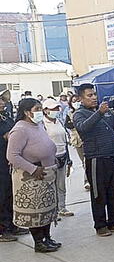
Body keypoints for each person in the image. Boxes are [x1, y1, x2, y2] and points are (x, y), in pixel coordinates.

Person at [73, 84, 114, 237]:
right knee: (99, 193)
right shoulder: (80, 114)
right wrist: (99, 113)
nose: (93, 98)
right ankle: (100, 225)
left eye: (94, 95)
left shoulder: (105, 112)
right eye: (89, 95)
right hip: (96, 159)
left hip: (111, 156)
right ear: (80, 98)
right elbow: (83, 128)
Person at [6, 99, 61, 252]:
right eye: (37, 109)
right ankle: (39, 242)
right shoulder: (20, 129)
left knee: (46, 209)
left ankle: (47, 237)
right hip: (31, 176)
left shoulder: (38, 125)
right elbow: (12, 155)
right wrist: (32, 169)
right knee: (35, 211)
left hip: (46, 173)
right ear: (26, 112)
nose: (39, 112)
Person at [0, 96, 28, 242]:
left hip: (8, 164)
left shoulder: (5, 118)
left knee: (11, 195)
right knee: (2, 197)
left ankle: (12, 224)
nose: (2, 103)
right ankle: (3, 230)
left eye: (2, 100)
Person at [42, 99, 73, 219]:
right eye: (52, 109)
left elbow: (65, 141)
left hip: (62, 156)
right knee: (50, 186)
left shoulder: (59, 121)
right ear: (45, 110)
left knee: (61, 185)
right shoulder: (42, 124)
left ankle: (62, 207)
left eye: (56, 108)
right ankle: (52, 210)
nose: (55, 111)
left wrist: (69, 159)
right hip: (50, 159)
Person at [64, 94, 90, 191]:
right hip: (77, 139)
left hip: (87, 138)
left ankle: (87, 180)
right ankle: (88, 179)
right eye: (74, 101)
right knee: (84, 161)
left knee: (87, 160)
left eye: (78, 100)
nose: (76, 103)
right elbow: (68, 125)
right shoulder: (69, 113)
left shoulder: (86, 111)